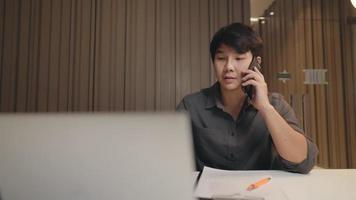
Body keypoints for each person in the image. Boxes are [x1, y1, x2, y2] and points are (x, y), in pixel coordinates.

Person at [176, 22, 318, 174]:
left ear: (256, 63)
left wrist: (265, 108)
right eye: (221, 58)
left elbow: (303, 162)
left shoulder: (274, 104)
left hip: (262, 193)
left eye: (239, 58)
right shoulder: (191, 106)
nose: (229, 67)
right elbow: (170, 161)